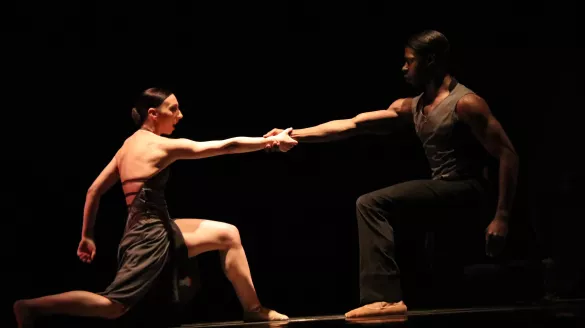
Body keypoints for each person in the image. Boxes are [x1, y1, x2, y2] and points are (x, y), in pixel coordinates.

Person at [264, 30, 519, 319]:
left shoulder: (466, 104)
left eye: (410, 61)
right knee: (439, 273)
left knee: (371, 203)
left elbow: (507, 154)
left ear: (431, 60)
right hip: (442, 190)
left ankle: (383, 297)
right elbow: (354, 125)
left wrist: (502, 216)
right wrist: (292, 135)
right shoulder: (412, 106)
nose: (404, 68)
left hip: (469, 189)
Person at [13, 87, 295, 327]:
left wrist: (87, 235)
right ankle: (32, 306)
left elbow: (93, 191)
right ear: (153, 113)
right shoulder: (159, 147)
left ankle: (253, 309)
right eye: (174, 109)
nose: (180, 115)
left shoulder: (127, 146)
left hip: (157, 227)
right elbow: (226, 146)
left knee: (228, 234)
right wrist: (270, 142)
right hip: (149, 236)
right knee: (114, 306)